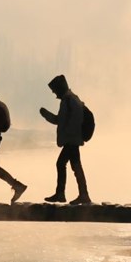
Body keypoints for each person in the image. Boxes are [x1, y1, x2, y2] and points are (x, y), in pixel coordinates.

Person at [39, 74, 91, 204]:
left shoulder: (69, 100)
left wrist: (68, 137)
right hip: (73, 140)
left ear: (60, 88)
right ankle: (82, 194)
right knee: (75, 166)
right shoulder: (70, 99)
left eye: (55, 90)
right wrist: (47, 115)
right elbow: (61, 120)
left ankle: (62, 194)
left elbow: (70, 122)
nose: (54, 93)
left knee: (62, 164)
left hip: (71, 141)